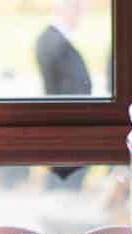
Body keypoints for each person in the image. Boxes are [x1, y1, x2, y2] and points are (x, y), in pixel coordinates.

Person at [36, 0, 91, 189]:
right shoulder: (58, 44)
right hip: (69, 130)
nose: (80, 17)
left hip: (64, 131)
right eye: (79, 11)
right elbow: (73, 89)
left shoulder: (49, 40)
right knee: (64, 188)